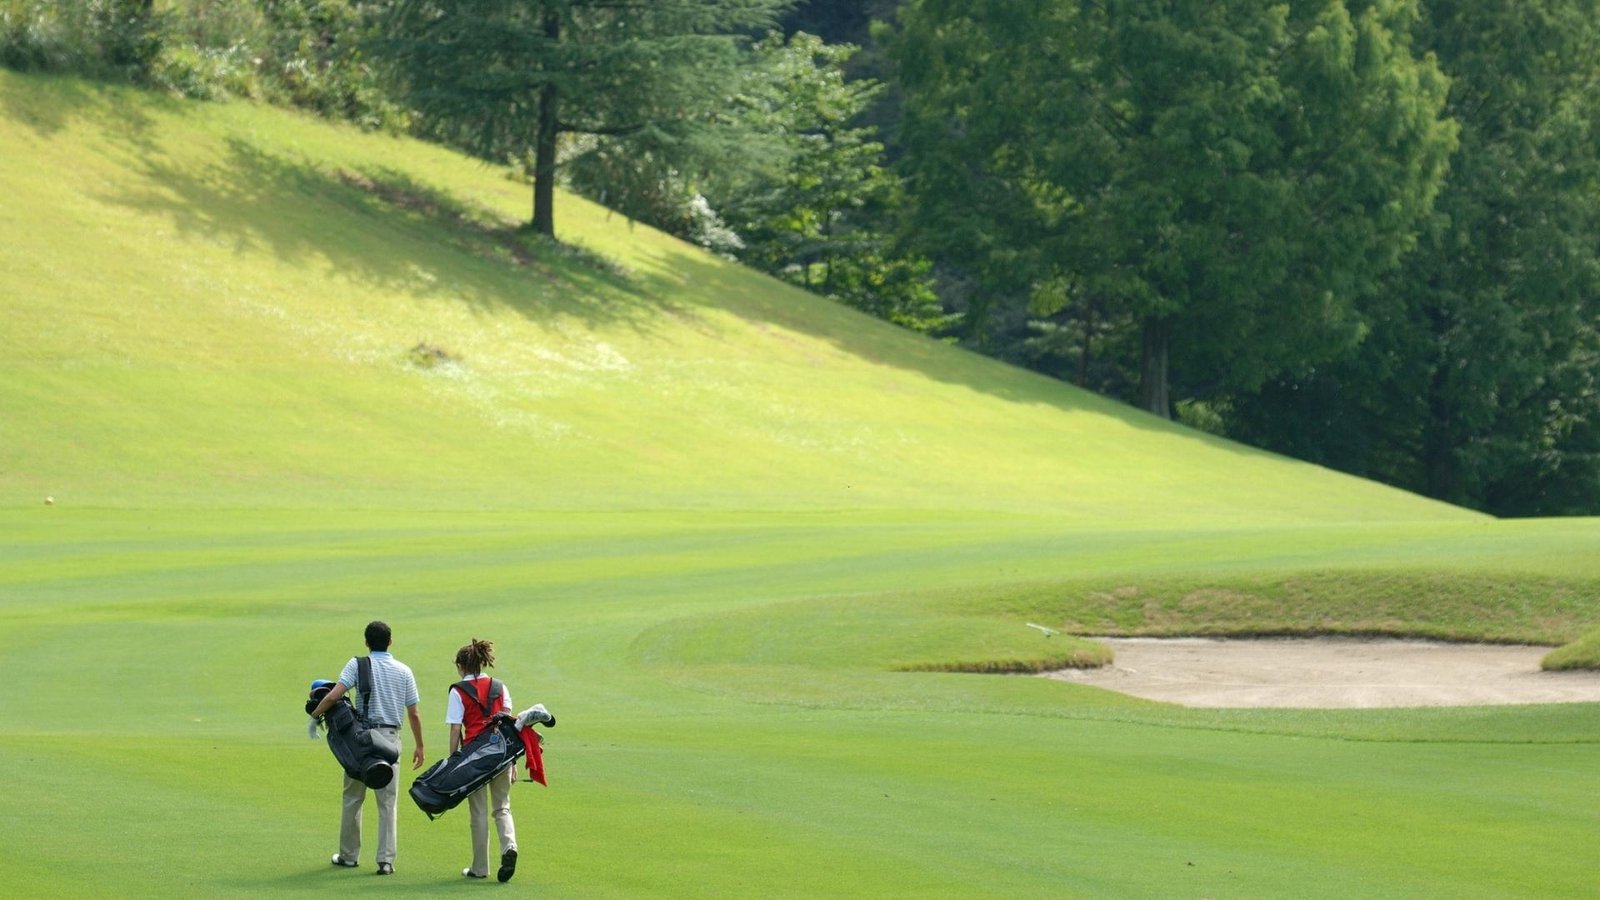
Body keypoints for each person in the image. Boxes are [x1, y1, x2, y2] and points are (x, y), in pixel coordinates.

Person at [308, 620, 425, 876]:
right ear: (390, 642)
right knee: (388, 802)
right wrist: (420, 745)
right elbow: (414, 713)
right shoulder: (404, 671)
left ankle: (349, 856)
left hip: (360, 740)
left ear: (366, 642)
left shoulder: (357, 664)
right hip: (390, 740)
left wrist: (315, 716)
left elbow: (333, 696)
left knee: (353, 798)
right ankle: (385, 861)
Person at [447, 638, 520, 883]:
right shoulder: (501, 687)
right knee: (502, 807)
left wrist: (453, 762)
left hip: (473, 759)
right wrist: (513, 762)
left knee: (477, 813)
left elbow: (456, 730)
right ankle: (509, 846)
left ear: (461, 666)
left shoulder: (458, 691)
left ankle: (480, 868)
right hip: (501, 754)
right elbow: (510, 727)